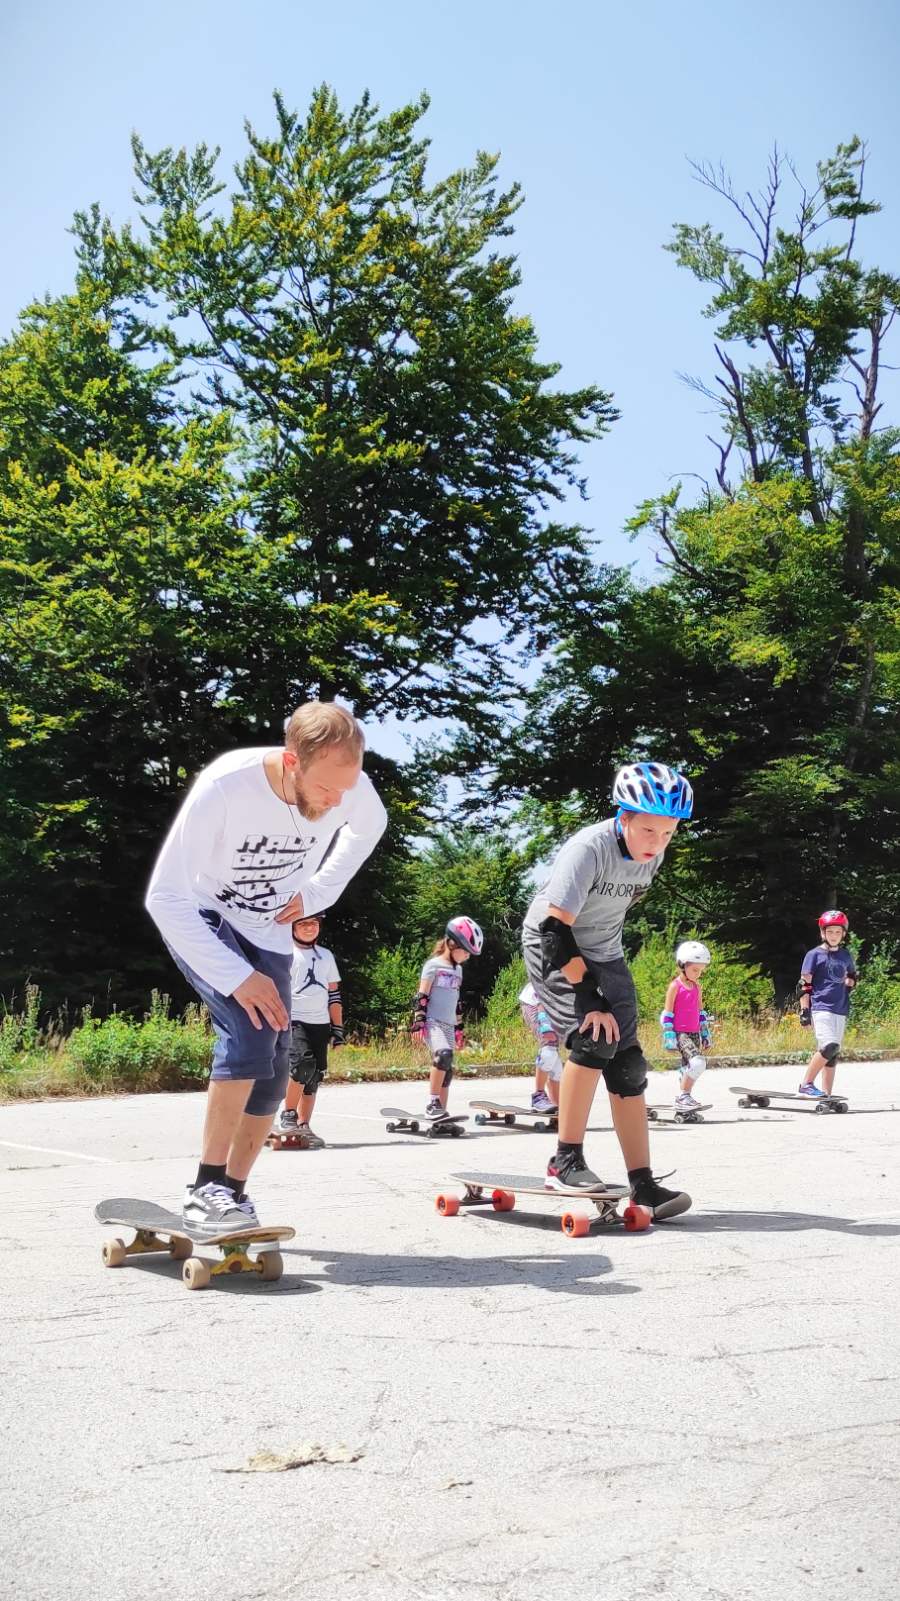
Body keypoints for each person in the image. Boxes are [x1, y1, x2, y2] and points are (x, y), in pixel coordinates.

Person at [145, 702, 387, 1232]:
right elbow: (165, 898)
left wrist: (319, 891)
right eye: (327, 789)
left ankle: (232, 1193)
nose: (336, 801)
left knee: (277, 1059)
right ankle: (204, 1188)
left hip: (269, 929)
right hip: (205, 916)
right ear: (292, 761)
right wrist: (237, 976)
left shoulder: (351, 791)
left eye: (346, 789)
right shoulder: (226, 787)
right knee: (251, 1032)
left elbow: (370, 825)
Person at [522, 761, 693, 1220]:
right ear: (624, 818)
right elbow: (555, 929)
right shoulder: (587, 849)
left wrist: (605, 977)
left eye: (668, 834)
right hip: (552, 942)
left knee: (629, 1062)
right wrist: (589, 996)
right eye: (649, 831)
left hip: (605, 950)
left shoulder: (652, 854)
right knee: (594, 1038)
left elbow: (610, 915)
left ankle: (643, 1184)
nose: (657, 844)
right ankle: (564, 1161)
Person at [272, 914, 343, 1148]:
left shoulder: (326, 956)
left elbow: (334, 995)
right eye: (303, 924)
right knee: (302, 1065)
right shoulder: (286, 953)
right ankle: (288, 1116)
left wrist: (338, 1028)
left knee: (314, 1076)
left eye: (314, 924)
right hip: (295, 1019)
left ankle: (304, 1125)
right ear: (292, 928)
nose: (310, 928)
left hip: (320, 1022)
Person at [412, 916, 483, 1119]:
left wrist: (459, 1028)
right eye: (466, 951)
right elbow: (421, 996)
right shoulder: (432, 966)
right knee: (442, 1055)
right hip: (432, 1022)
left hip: (449, 1024)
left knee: (447, 1067)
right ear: (452, 943)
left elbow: (456, 1000)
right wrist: (418, 1023)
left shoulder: (458, 969)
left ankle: (441, 1110)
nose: (468, 956)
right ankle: (432, 1103)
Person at [798, 910, 858, 1097]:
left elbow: (852, 977)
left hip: (840, 1009)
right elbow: (804, 985)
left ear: (843, 934)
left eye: (837, 932)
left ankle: (827, 1095)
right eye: (830, 931)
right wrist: (804, 1011)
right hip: (821, 1008)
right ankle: (806, 1084)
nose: (834, 935)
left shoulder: (845, 955)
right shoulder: (814, 955)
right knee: (829, 1046)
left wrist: (851, 982)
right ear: (823, 933)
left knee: (833, 1053)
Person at [660, 940, 712, 1111]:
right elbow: (667, 1014)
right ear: (682, 965)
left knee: (687, 1069)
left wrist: (705, 1034)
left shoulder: (697, 987)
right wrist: (669, 1037)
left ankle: (685, 1097)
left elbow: (700, 1012)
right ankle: (683, 1097)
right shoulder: (675, 986)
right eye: (695, 970)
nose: (698, 974)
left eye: (701, 971)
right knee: (698, 1063)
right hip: (681, 1033)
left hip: (695, 1033)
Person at [518, 981, 562, 1111]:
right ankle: (538, 1096)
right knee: (549, 1043)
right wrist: (544, 1021)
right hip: (536, 1001)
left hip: (551, 1004)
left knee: (555, 1061)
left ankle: (556, 1105)